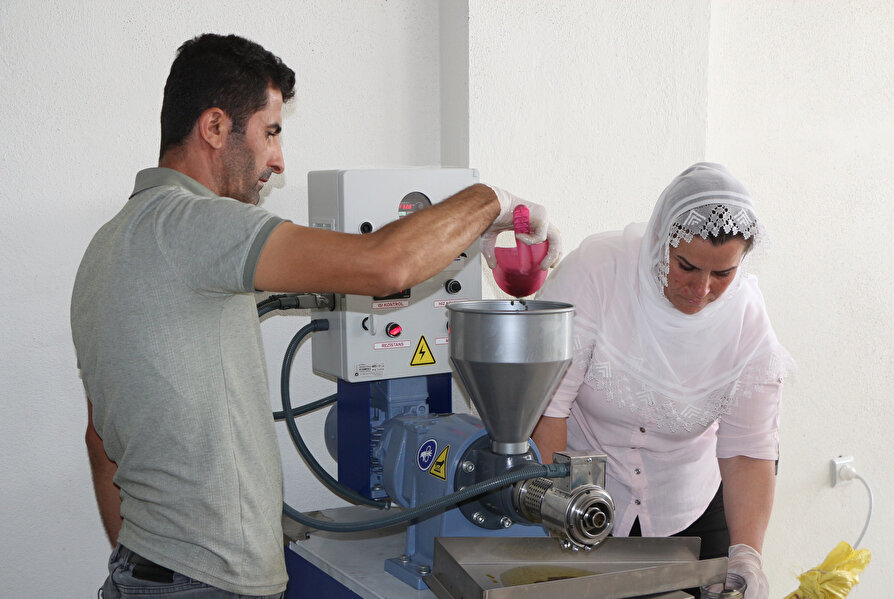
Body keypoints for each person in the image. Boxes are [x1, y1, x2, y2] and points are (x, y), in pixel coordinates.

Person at [72, 33, 560, 599]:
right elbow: (385, 264)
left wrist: (152, 569)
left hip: (140, 573)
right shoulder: (200, 226)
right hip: (208, 585)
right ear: (213, 127)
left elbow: (97, 439)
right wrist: (490, 203)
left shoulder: (107, 249)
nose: (278, 161)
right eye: (270, 132)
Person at [531, 163, 793, 599]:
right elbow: (547, 412)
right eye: (686, 265)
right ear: (659, 241)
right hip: (582, 493)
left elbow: (749, 450)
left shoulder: (747, 317)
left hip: (689, 502)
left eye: (723, 273)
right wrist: (559, 519)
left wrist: (746, 554)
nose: (702, 288)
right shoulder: (598, 272)